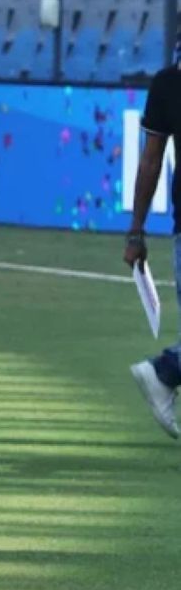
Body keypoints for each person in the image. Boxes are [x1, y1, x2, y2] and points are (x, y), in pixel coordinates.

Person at [129, 56, 181, 438]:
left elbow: (151, 161)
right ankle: (166, 370)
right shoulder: (167, 84)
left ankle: (166, 371)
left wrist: (137, 232)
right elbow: (151, 162)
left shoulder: (168, 82)